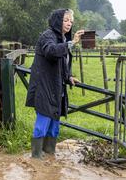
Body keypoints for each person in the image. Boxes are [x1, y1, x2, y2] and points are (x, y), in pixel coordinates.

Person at [26, 9, 84, 158]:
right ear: (57, 21)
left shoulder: (63, 39)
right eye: (66, 20)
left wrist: (68, 76)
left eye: (71, 21)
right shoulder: (47, 36)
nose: (69, 23)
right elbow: (51, 52)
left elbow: (62, 62)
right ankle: (36, 159)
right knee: (42, 124)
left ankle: (49, 156)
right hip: (44, 87)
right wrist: (72, 43)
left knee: (54, 127)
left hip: (57, 88)